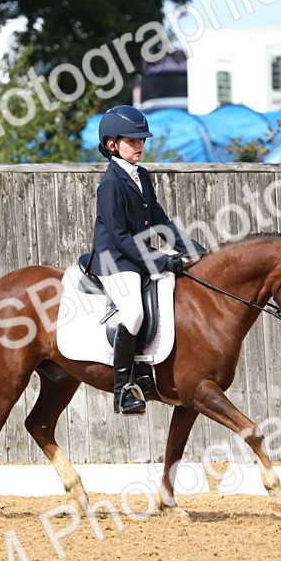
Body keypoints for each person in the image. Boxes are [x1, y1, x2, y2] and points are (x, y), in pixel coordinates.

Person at [78, 105, 207, 415]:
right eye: (132, 141)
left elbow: (160, 221)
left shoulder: (142, 177)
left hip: (135, 257)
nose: (139, 146)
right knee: (134, 313)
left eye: (141, 141)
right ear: (111, 144)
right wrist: (161, 260)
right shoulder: (109, 184)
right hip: (113, 259)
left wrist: (193, 249)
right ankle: (123, 390)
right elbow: (120, 237)